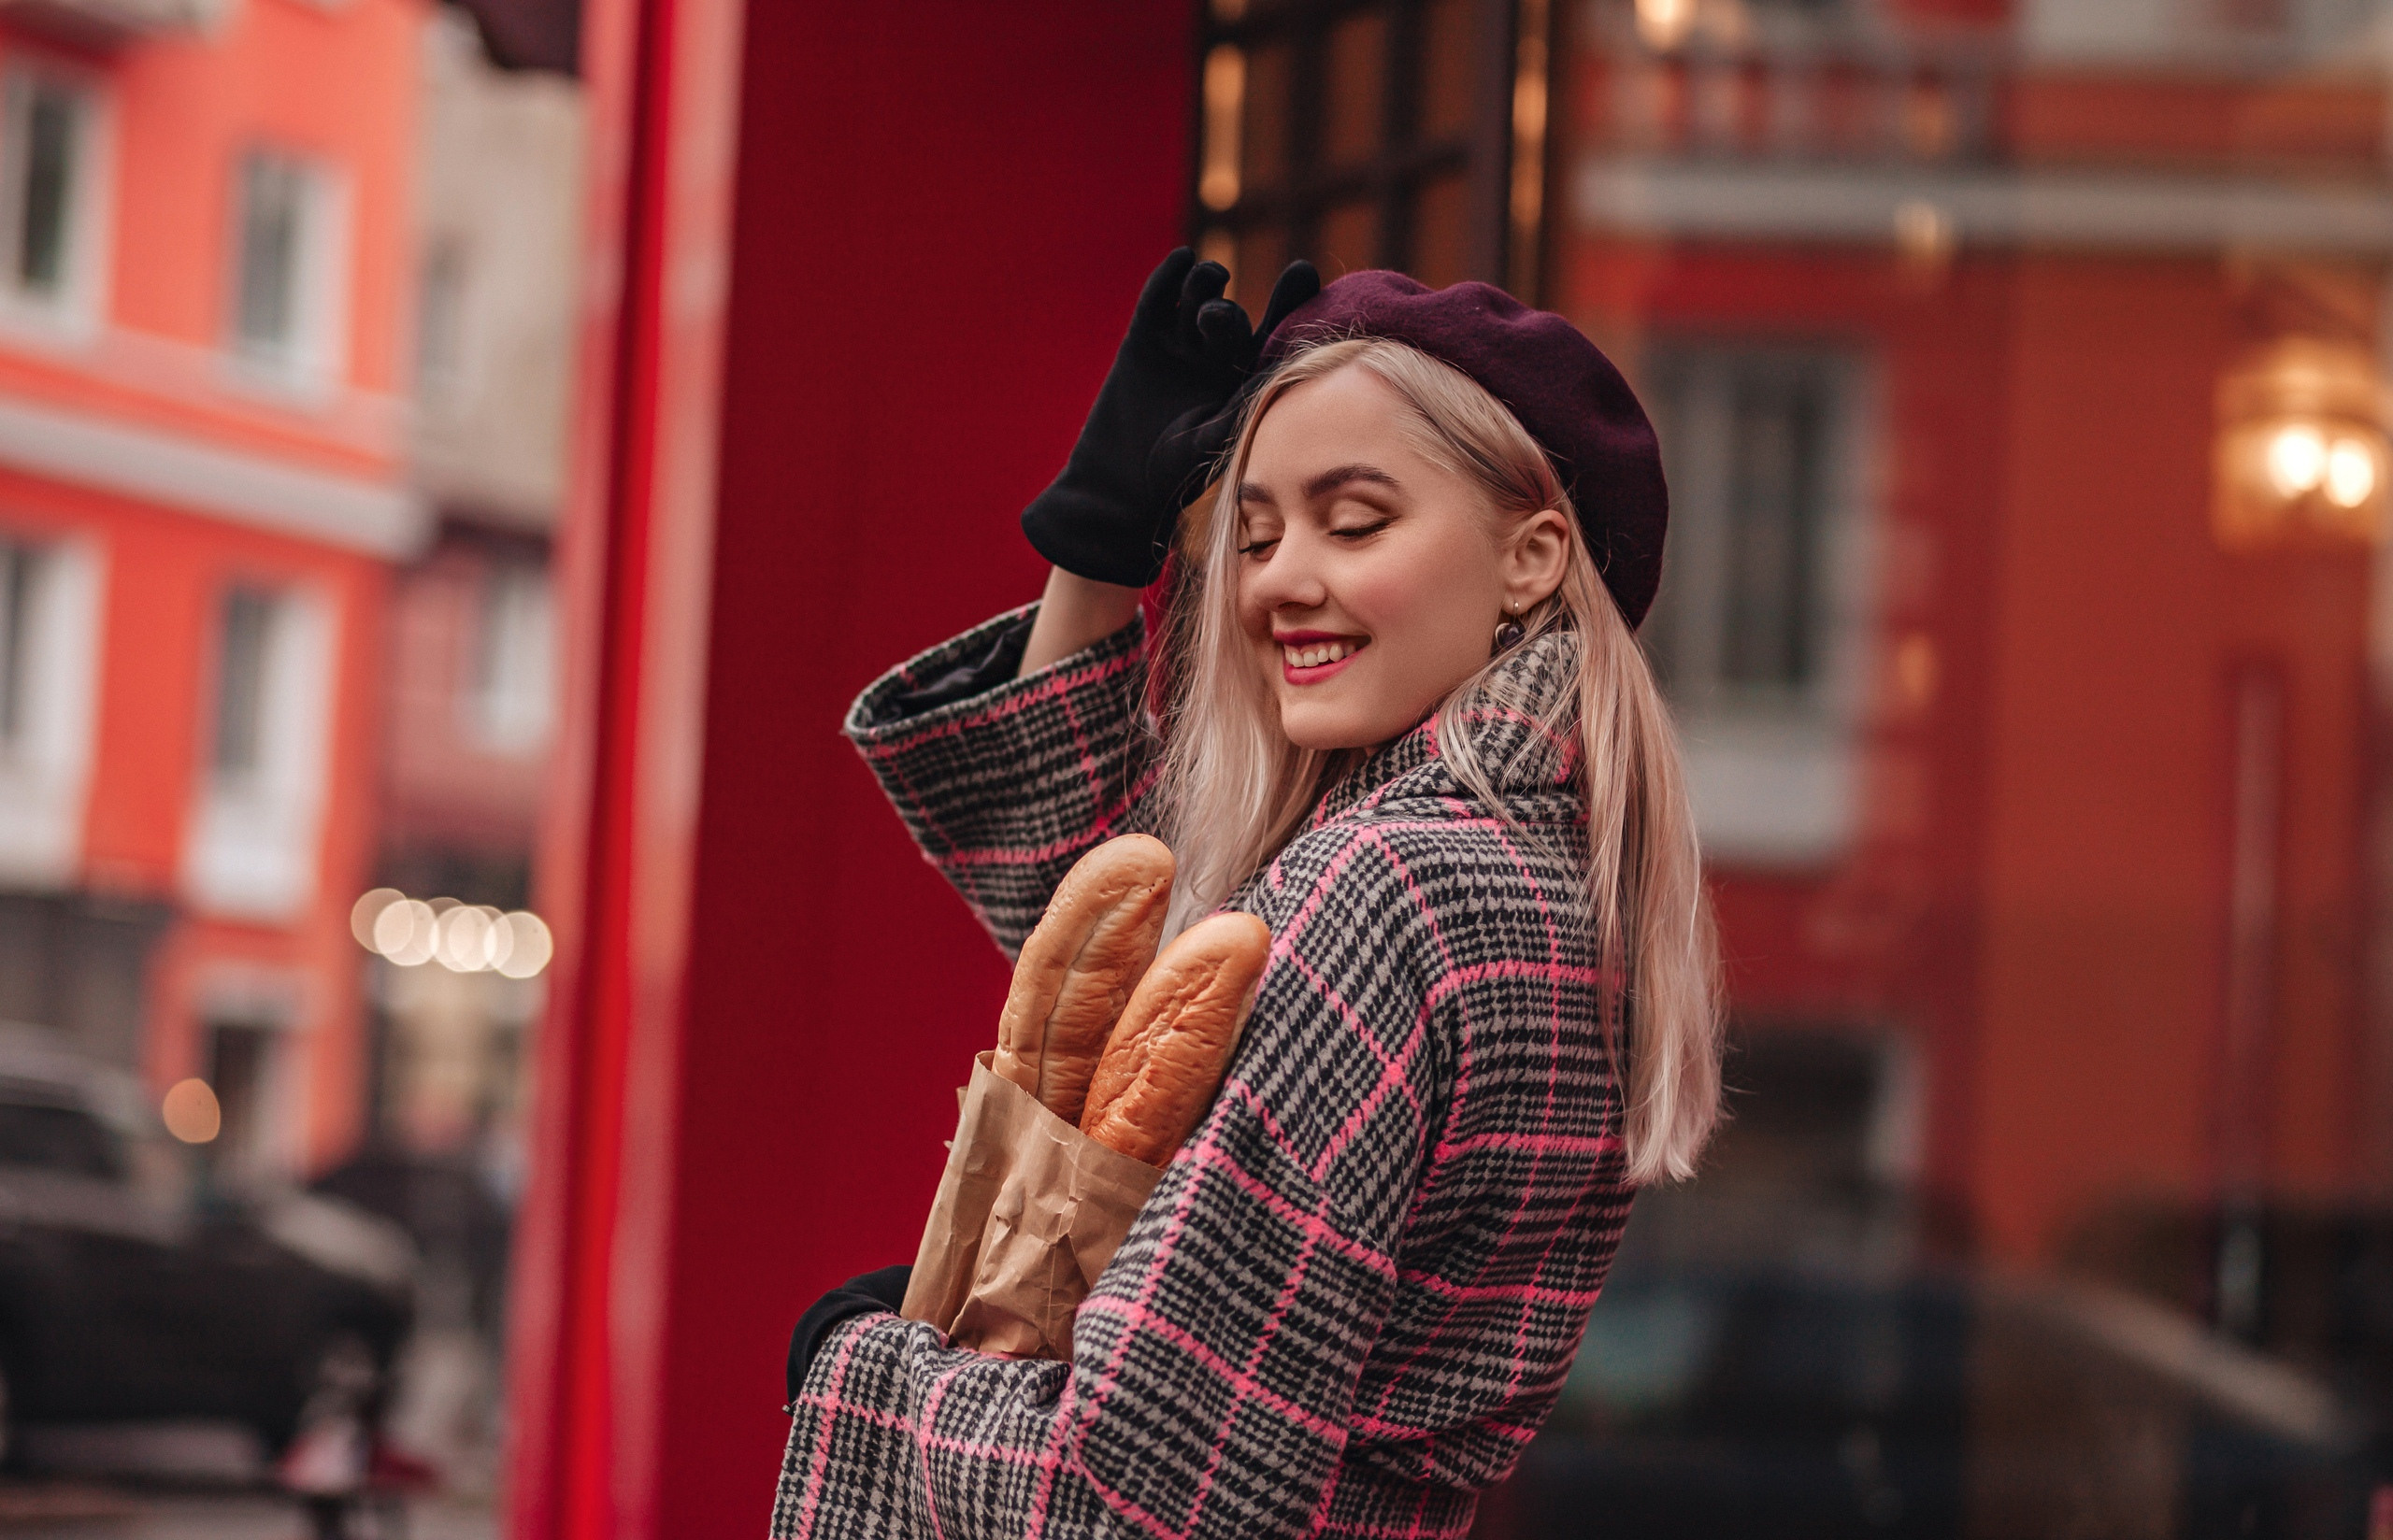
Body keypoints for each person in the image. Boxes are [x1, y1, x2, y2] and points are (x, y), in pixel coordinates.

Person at [772, 250, 1725, 1540]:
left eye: (1356, 519)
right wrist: (1101, 546)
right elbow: (1122, 991)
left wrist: (862, 1363)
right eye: (1256, 533)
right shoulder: (1541, 882)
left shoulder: (1384, 891)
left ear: (1533, 557)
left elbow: (1127, 1496)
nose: (1275, 581)